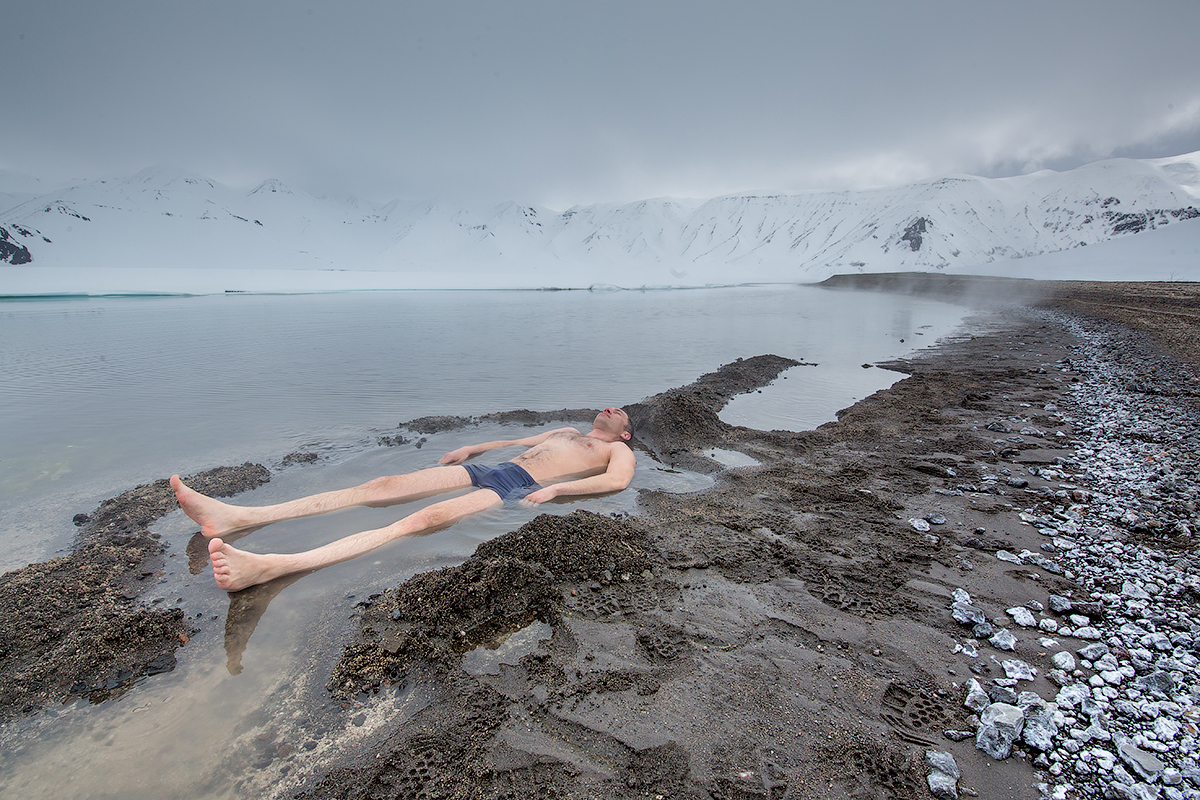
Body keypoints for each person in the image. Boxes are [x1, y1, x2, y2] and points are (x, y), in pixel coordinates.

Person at [171, 407, 635, 592]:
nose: (611, 408)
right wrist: (474, 448)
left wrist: (556, 489)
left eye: (620, 411)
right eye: (608, 405)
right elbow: (518, 440)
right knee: (381, 486)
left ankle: (273, 566)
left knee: (420, 520)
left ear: (626, 431)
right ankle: (238, 516)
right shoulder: (567, 430)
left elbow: (614, 484)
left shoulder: (617, 449)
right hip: (492, 467)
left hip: (517, 486)